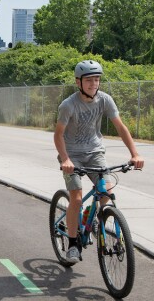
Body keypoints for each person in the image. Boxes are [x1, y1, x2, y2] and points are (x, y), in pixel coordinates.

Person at [53, 60, 144, 264]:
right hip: (72, 155)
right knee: (76, 199)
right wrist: (66, 159)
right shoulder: (68, 105)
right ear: (78, 82)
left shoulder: (105, 100)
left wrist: (135, 154)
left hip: (95, 152)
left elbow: (121, 127)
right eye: (89, 80)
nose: (94, 83)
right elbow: (58, 135)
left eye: (97, 79)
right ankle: (74, 243)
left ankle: (92, 218)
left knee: (107, 194)